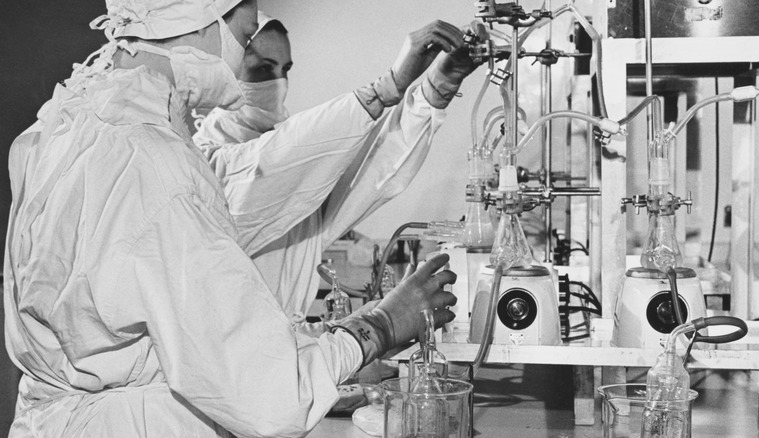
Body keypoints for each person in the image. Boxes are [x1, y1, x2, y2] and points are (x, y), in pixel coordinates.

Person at [2, 0, 470, 436]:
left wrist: (425, 92)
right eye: (244, 38)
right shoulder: (152, 161)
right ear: (197, 22)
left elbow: (319, 167)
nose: (242, 60)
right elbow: (266, 391)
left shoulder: (64, 126)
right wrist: (380, 326)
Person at [194, 12, 484, 326]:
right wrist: (387, 87)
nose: (278, 81)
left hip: (277, 350)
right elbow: (264, 168)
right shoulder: (202, 161)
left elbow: (372, 172)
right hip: (220, 363)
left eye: (285, 70)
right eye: (264, 68)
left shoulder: (296, 164)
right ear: (223, 69)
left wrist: (439, 86)